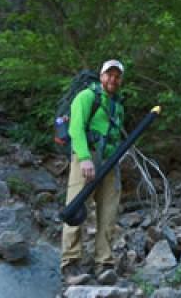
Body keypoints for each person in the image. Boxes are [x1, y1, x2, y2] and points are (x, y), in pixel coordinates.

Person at [61, 59, 125, 284]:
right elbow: (75, 128)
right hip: (86, 159)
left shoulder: (118, 106)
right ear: (101, 76)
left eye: (117, 76)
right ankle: (70, 263)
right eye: (109, 74)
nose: (113, 79)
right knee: (76, 209)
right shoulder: (87, 97)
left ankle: (104, 264)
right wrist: (85, 159)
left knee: (108, 214)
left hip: (110, 163)